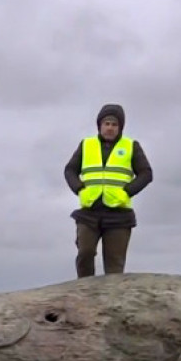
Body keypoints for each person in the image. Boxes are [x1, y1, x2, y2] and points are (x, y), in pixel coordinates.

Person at [63, 103, 153, 278]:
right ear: (100, 126)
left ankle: (111, 303)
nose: (110, 128)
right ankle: (84, 290)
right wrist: (79, 189)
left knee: (114, 267)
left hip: (119, 214)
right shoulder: (86, 145)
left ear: (120, 127)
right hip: (89, 211)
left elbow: (146, 174)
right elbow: (69, 170)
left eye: (114, 124)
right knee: (85, 253)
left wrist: (127, 192)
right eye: (106, 124)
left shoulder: (131, 146)